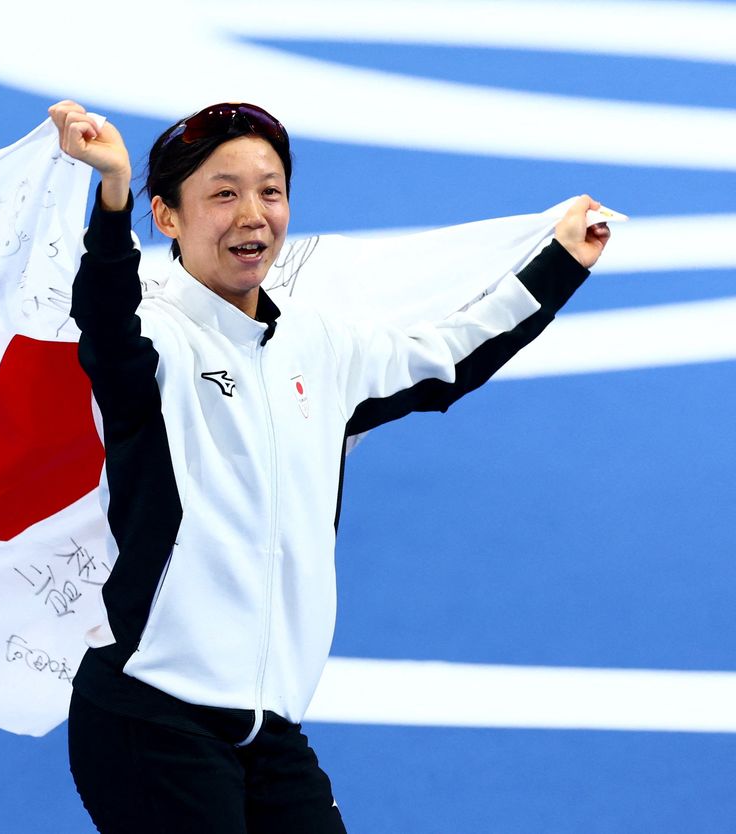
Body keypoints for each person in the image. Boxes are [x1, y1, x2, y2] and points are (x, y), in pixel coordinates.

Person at [48, 100, 609, 833]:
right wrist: (112, 194)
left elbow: (448, 358)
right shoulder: (154, 344)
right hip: (150, 721)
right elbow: (105, 316)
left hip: (266, 729)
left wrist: (561, 265)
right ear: (167, 216)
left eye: (270, 190)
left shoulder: (317, 345)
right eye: (223, 193)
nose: (253, 214)